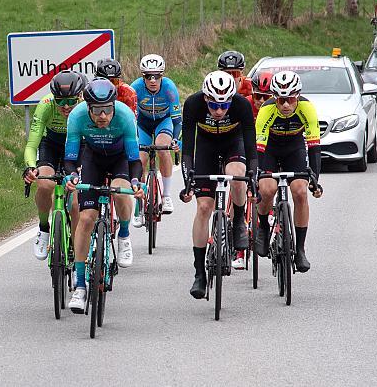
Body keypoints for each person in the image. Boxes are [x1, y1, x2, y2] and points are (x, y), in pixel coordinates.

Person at [63, 78, 144, 312]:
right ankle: (80, 286)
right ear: (88, 107)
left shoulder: (125, 116)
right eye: (97, 111)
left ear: (114, 105)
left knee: (121, 192)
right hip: (93, 159)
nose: (102, 116)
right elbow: (70, 158)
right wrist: (72, 177)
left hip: (120, 160)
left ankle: (125, 236)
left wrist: (137, 182)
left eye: (107, 110)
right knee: (86, 218)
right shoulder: (77, 116)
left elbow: (134, 160)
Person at [179, 71, 258, 299]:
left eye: (224, 105)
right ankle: (199, 272)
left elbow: (251, 148)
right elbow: (187, 150)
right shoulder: (193, 104)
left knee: (237, 174)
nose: (219, 110)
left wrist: (252, 178)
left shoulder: (241, 105)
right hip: (206, 147)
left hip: (234, 143)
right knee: (204, 207)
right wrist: (188, 183)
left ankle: (239, 221)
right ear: (205, 98)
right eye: (214, 104)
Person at [254, 71, 323, 273]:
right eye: (281, 100)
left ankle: (300, 249)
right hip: (270, 149)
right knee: (266, 189)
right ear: (274, 97)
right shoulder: (266, 111)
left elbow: (314, 147)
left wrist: (315, 181)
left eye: (290, 99)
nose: (285, 105)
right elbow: (259, 148)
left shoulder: (307, 108)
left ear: (298, 96)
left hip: (294, 148)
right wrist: (257, 176)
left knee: (300, 192)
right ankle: (264, 228)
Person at [22, 70, 85, 260]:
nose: (66, 106)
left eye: (71, 101)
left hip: (77, 145)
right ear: (54, 98)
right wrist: (31, 167)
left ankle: (76, 245)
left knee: (74, 202)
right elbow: (32, 144)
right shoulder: (45, 105)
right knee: (44, 183)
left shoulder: (85, 106)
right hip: (51, 144)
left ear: (79, 97)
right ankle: (43, 228)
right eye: (61, 101)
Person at [231, 69, 274, 270]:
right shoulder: (245, 104)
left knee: (268, 183)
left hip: (269, 149)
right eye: (258, 96)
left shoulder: (276, 107)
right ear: (252, 93)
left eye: (266, 97)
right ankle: (238, 247)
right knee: (238, 187)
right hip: (246, 147)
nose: (261, 101)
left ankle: (271, 211)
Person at [130, 54, 182, 219]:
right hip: (142, 123)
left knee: (162, 148)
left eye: (157, 76)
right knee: (141, 158)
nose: (153, 80)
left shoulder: (169, 88)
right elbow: (128, 117)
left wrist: (175, 139)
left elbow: (177, 119)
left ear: (162, 75)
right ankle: (139, 204)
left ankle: (166, 196)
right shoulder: (135, 88)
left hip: (163, 121)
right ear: (142, 76)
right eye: (148, 76)